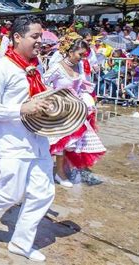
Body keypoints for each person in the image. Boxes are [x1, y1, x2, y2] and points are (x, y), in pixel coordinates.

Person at [0, 15, 55, 262]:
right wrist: (21, 109)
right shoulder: (0, 69)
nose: (40, 41)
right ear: (17, 37)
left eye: (41, 36)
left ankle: (21, 243)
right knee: (10, 193)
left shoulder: (37, 67)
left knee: (43, 193)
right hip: (12, 141)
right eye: (34, 36)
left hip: (38, 139)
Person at [43, 34, 106, 187]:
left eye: (85, 54)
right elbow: (43, 82)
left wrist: (86, 99)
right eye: (80, 54)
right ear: (70, 52)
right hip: (60, 111)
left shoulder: (79, 66)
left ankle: (64, 170)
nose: (83, 57)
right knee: (61, 144)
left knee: (73, 144)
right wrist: (55, 96)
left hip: (76, 111)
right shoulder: (57, 67)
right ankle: (59, 173)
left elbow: (83, 85)